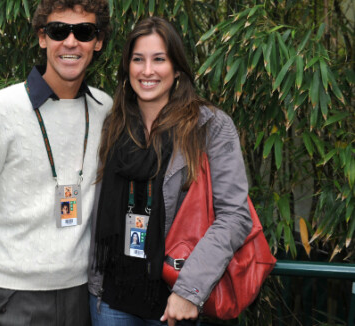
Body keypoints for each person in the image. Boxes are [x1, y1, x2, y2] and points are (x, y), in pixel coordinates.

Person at [0, 1, 112, 325]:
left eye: (84, 31)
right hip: (10, 299)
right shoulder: (0, 111)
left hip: (83, 298)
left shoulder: (105, 109)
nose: (71, 42)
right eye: (59, 30)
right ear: (42, 37)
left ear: (97, 42)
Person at [88, 17, 253, 326]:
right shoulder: (113, 125)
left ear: (177, 69)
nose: (147, 70)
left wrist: (190, 290)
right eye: (138, 59)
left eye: (159, 59)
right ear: (127, 68)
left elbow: (235, 216)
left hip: (174, 303)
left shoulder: (210, 127)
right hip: (109, 300)